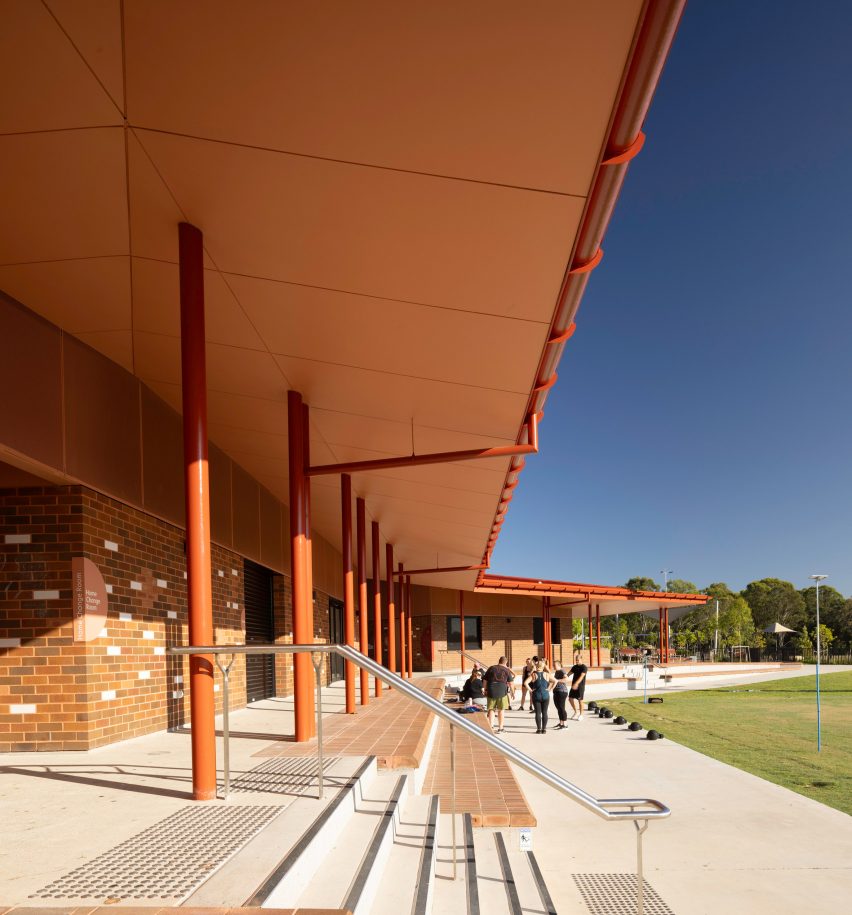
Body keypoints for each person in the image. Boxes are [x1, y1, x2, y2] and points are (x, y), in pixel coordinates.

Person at [483, 656, 514, 733]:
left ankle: (491, 727)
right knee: (501, 710)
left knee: (491, 709)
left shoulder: (491, 668)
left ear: (499, 661)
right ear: (506, 662)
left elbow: (485, 680)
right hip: (502, 691)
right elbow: (511, 683)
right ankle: (500, 728)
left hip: (491, 690)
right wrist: (512, 692)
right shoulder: (506, 670)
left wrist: (484, 689)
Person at [524, 660, 554, 733]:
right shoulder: (547, 674)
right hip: (545, 695)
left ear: (536, 666)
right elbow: (555, 681)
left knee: (538, 713)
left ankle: (539, 729)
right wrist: (550, 689)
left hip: (536, 695)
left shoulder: (533, 675)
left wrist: (531, 690)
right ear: (543, 666)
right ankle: (544, 729)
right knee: (544, 712)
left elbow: (525, 683)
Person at [568, 651, 588, 720]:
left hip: (580, 686)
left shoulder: (584, 667)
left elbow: (582, 676)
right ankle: (576, 712)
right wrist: (563, 678)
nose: (576, 661)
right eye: (576, 660)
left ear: (581, 659)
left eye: (578, 660)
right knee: (570, 699)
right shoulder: (574, 667)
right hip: (573, 686)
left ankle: (581, 714)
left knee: (580, 700)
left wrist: (576, 683)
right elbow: (568, 674)